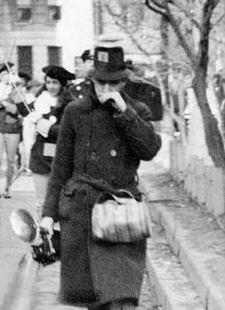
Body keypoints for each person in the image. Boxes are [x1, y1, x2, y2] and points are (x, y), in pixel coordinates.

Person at [40, 45, 161, 310]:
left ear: (124, 81)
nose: (106, 89)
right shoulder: (75, 112)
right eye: (101, 82)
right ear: (92, 80)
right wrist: (49, 214)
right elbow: (61, 168)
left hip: (120, 213)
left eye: (114, 83)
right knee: (94, 300)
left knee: (121, 299)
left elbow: (150, 150)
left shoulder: (137, 111)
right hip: (83, 213)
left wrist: (125, 114)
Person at [28, 65, 72, 210]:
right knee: (41, 202)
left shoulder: (70, 104)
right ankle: (42, 232)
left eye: (55, 83)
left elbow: (69, 131)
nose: (51, 86)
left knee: (60, 203)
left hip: (61, 158)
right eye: (48, 82)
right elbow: (22, 109)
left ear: (63, 84)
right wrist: (8, 86)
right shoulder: (40, 100)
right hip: (40, 158)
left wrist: (46, 126)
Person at [0, 66, 31, 197]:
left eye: (7, 74)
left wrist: (6, 104)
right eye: (2, 75)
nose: (5, 77)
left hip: (12, 128)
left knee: (11, 161)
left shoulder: (17, 91)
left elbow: (21, 110)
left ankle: (6, 187)